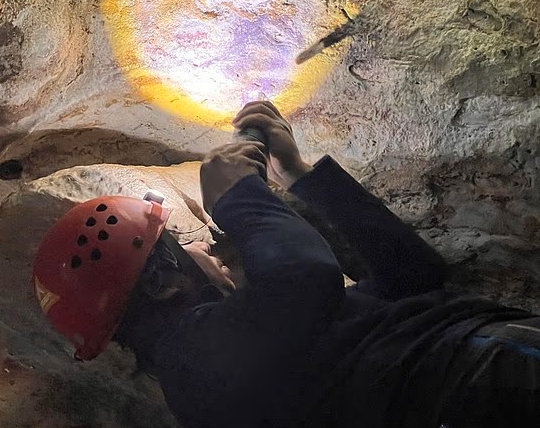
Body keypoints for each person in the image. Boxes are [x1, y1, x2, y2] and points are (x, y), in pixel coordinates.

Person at [33, 102, 540, 428]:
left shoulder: (265, 344)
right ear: (164, 281)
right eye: (187, 245)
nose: (209, 249)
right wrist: (235, 196)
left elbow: (415, 275)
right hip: (481, 381)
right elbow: (303, 277)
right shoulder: (195, 370)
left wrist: (301, 176)